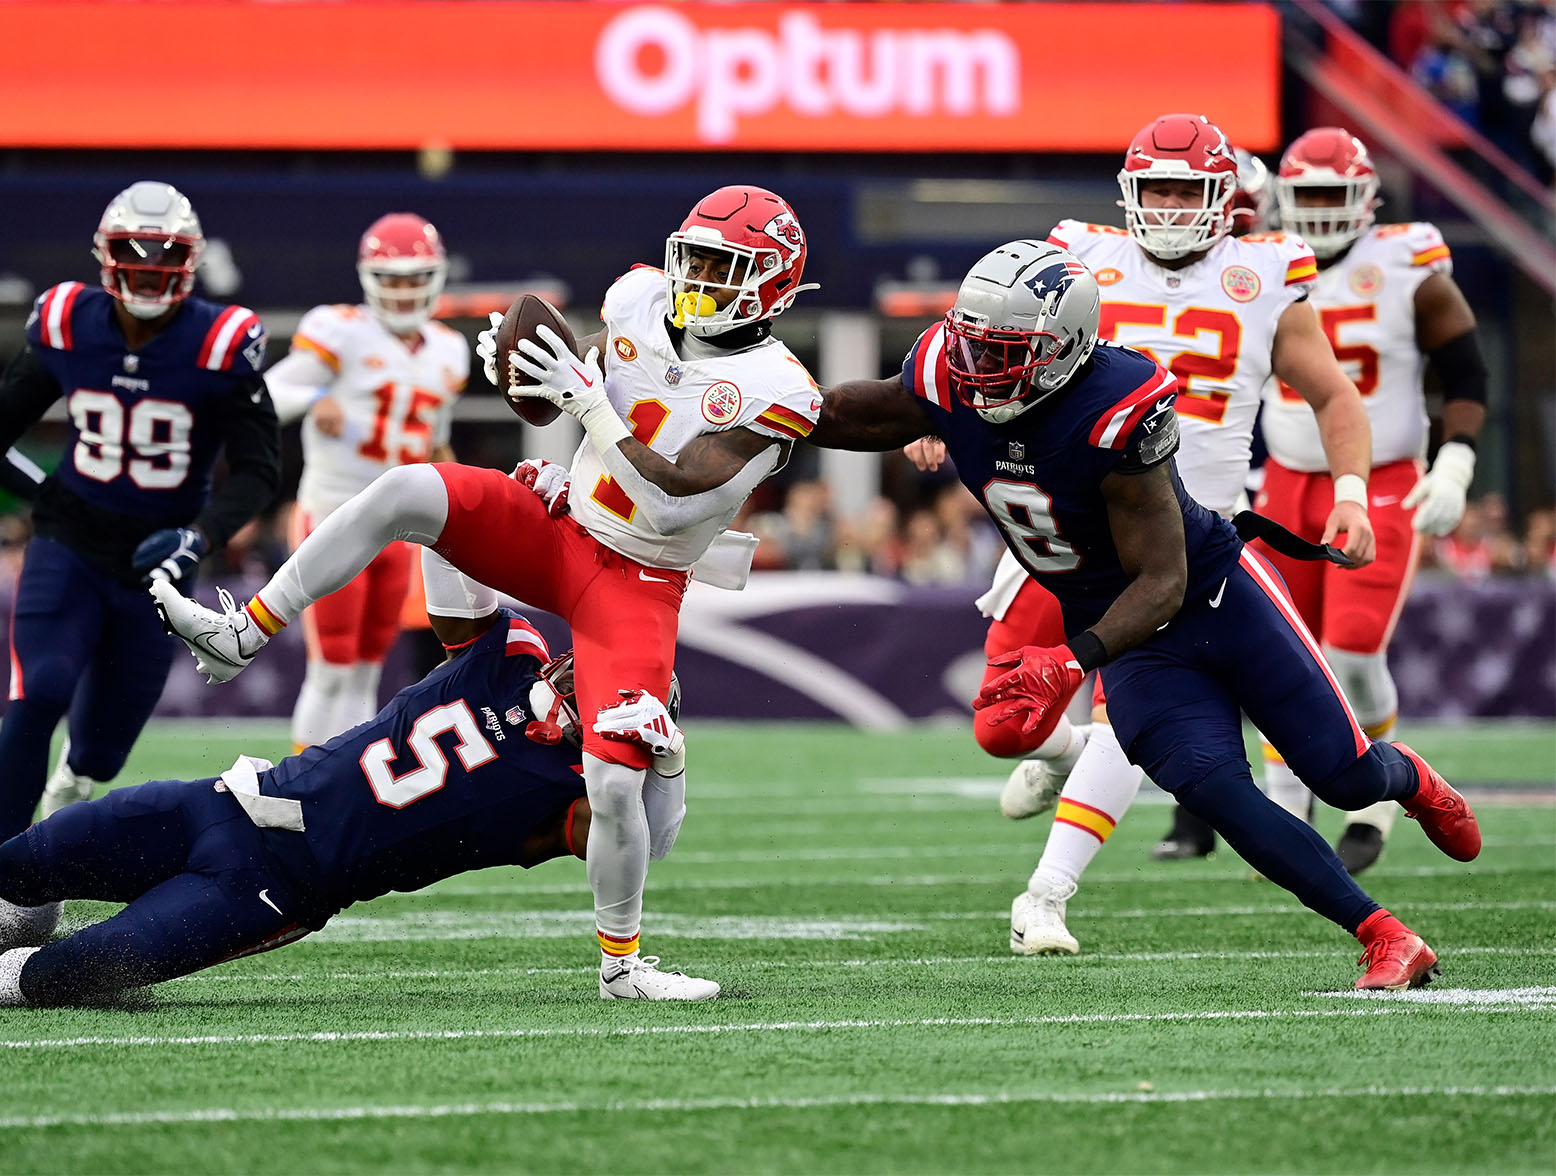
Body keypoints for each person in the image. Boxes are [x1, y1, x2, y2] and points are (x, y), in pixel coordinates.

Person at [153, 184, 821, 1000]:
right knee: (407, 491)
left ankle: (621, 965)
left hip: (641, 577)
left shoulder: (779, 387)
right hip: (564, 528)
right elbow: (572, 378)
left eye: (724, 268)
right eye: (696, 259)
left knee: (613, 778)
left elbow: (677, 496)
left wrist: (586, 415)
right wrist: (529, 380)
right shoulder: (640, 298)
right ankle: (246, 631)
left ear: (774, 284)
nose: (699, 280)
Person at [808, 238, 1479, 991]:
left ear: (1062, 352)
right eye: (971, 346)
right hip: (1133, 640)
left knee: (1346, 777)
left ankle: (1412, 781)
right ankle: (1385, 936)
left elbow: (1163, 580)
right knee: (1216, 791)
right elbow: (847, 414)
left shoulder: (1114, 406)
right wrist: (752, 409)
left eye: (1003, 353)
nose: (976, 370)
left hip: (1215, 598)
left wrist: (1066, 660)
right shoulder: (950, 373)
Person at [907, 113, 1378, 949]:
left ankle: (1046, 896)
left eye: (1183, 189)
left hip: (1178, 548)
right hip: (1056, 526)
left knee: (1139, 716)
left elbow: (1336, 395)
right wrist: (946, 410)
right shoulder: (1079, 256)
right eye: (1152, 187)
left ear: (1223, 197)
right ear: (1126, 191)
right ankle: (1070, 753)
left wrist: (1351, 489)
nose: (1165, 206)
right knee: (999, 725)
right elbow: (991, 344)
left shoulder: (1265, 271)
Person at [0, 561, 690, 1006]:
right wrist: (526, 512)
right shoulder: (508, 652)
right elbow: (449, 543)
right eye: (591, 668)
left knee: (71, 975)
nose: (583, 681)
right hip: (222, 801)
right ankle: (29, 908)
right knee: (20, 862)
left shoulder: (579, 791)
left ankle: (27, 944)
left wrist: (668, 766)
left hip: (273, 890)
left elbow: (646, 845)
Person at [0, 181, 279, 850]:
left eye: (165, 253)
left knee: (101, 750)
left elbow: (258, 468)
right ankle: (7, 868)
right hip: (69, 541)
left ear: (190, 260)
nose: (149, 265)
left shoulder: (219, 340)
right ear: (105, 253)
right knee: (39, 692)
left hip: (158, 564)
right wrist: (41, 490)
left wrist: (199, 536)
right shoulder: (69, 321)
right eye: (134, 250)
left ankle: (70, 782)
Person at [1260, 127, 1488, 873]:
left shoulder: (1404, 263)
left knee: (1354, 652)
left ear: (1366, 201)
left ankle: (1381, 792)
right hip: (1287, 476)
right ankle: (1285, 799)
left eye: (1335, 195)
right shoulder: (1257, 263)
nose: (1321, 212)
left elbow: (1465, 364)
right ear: (1282, 201)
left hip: (1384, 474)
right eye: (1309, 196)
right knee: (1282, 650)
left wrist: (1455, 459)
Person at [263, 213, 467, 751]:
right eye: (392, 279)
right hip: (332, 512)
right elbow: (268, 394)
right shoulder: (340, 330)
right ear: (369, 279)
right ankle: (303, 778)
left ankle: (343, 774)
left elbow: (437, 441)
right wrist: (315, 396)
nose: (404, 292)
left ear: (436, 276)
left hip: (396, 530)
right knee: (331, 662)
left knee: (369, 665)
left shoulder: (449, 349)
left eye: (414, 277)